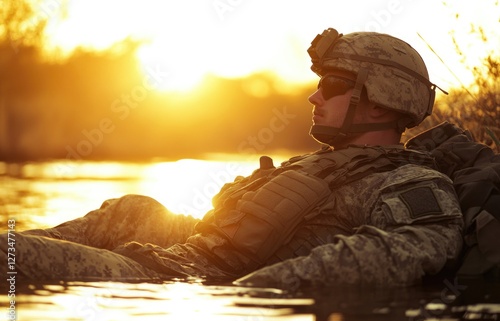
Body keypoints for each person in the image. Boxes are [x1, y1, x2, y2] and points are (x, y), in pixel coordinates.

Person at [0, 28, 464, 289]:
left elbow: (401, 250)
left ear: (380, 100)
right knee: (131, 207)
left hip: (191, 279)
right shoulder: (319, 164)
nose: (314, 96)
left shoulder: (409, 181)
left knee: (12, 257)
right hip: (183, 255)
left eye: (333, 86)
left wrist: (247, 295)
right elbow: (226, 231)